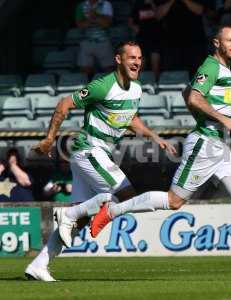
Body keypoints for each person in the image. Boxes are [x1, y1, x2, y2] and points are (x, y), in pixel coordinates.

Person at [81, 26, 231, 276]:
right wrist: (222, 118)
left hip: (219, 145)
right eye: (229, 40)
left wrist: (213, 119)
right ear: (216, 43)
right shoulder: (211, 66)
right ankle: (112, 210)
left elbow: (187, 92)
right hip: (206, 144)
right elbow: (194, 98)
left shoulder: (222, 69)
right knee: (174, 201)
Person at [24, 41, 176, 282]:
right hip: (89, 149)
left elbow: (130, 118)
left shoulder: (136, 88)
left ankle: (38, 265)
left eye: (139, 57)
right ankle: (69, 213)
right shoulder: (103, 86)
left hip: (98, 153)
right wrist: (49, 139)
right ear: (118, 59)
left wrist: (154, 136)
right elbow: (64, 104)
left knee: (81, 220)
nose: (137, 62)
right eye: (131, 57)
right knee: (124, 195)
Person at [75, 0, 115, 77]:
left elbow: (106, 24)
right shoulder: (80, 6)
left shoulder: (106, 4)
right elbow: (80, 25)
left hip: (103, 41)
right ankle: (87, 88)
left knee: (109, 69)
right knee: (85, 71)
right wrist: (97, 18)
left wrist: (93, 16)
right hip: (86, 41)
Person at [128, 0, 162, 79]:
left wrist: (152, 4)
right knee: (140, 64)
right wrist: (135, 29)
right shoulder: (138, 4)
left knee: (155, 63)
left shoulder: (157, 3)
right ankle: (138, 84)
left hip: (155, 37)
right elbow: (130, 20)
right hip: (142, 38)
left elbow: (160, 15)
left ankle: (156, 83)